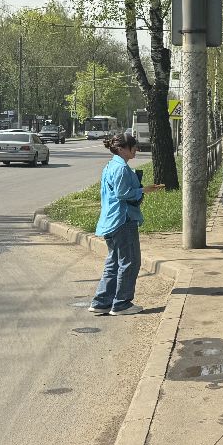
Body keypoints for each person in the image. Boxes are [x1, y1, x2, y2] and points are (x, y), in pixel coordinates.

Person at [90, 131, 160, 316]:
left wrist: (141, 189)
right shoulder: (120, 168)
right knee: (130, 262)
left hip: (111, 219)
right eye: (133, 146)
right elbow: (123, 193)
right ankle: (121, 304)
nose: (136, 149)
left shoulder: (111, 166)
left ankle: (102, 302)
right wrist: (143, 190)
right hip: (123, 219)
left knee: (114, 262)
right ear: (121, 149)